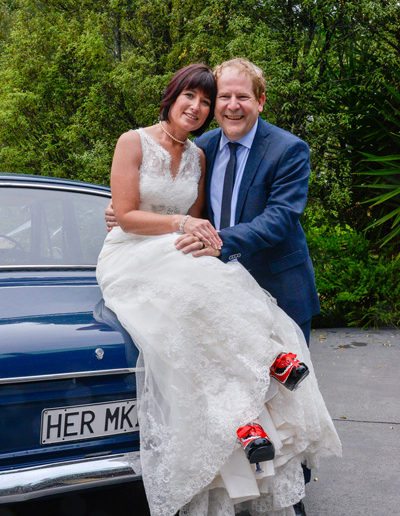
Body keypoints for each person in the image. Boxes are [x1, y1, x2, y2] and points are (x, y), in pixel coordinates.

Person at [97, 63, 341, 516]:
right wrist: (123, 215)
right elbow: (157, 208)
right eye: (218, 98)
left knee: (284, 399)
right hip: (203, 276)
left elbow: (280, 217)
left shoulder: (288, 149)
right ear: (172, 98)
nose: (226, 106)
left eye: (238, 97)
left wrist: (209, 238)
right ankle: (239, 451)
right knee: (209, 373)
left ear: (259, 100)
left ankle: (290, 497)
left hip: (275, 287)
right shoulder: (202, 146)